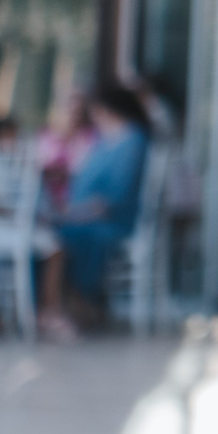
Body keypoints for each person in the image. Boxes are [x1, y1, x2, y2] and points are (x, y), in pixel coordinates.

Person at [38, 81, 150, 340]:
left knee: (56, 238)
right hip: (84, 215)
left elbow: (115, 198)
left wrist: (71, 213)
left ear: (107, 109)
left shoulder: (133, 140)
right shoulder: (103, 140)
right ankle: (62, 306)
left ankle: (67, 305)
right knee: (46, 232)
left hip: (111, 220)